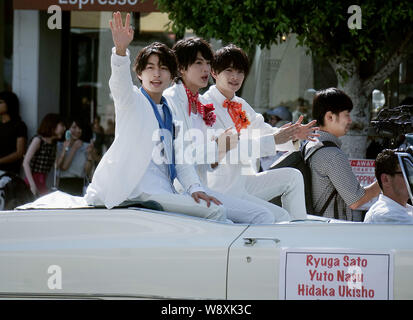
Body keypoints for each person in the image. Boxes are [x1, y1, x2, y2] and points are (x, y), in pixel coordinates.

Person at [84, 12, 225, 222]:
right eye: (149, 68)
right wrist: (121, 51)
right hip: (135, 191)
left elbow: (182, 159)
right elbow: (120, 83)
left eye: (163, 68)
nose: (156, 74)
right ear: (139, 74)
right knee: (216, 212)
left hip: (160, 190)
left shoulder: (170, 112)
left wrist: (195, 188)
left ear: (172, 75)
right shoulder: (132, 101)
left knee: (211, 209)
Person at [164, 38, 279, 223]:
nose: (206, 69)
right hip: (184, 187)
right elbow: (181, 155)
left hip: (205, 185)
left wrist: (218, 152)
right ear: (181, 68)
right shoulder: (171, 99)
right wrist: (219, 146)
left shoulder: (201, 103)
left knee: (272, 213)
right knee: (262, 216)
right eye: (199, 63)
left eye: (208, 63)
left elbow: (210, 157)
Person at [200, 44, 319, 221]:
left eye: (240, 72)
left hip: (242, 183)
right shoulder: (205, 106)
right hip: (220, 189)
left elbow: (264, 132)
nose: (235, 77)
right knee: (280, 216)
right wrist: (275, 139)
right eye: (229, 70)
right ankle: (295, 237)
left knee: (293, 176)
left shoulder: (240, 105)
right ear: (214, 73)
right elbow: (230, 149)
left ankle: (299, 233)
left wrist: (292, 134)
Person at [305, 88, 381, 220]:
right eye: (346, 115)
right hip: (331, 233)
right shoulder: (332, 154)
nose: (350, 120)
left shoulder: (310, 145)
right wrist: (384, 182)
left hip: (316, 226)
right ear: (330, 117)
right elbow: (356, 200)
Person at [364, 149, 413, 224]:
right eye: (407, 174)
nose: (411, 179)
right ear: (385, 179)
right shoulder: (385, 214)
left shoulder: (405, 209)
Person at [22, 113, 66, 197]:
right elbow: (26, 162)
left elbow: (57, 165)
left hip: (43, 181)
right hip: (32, 180)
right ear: (52, 125)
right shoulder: (38, 140)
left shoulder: (53, 144)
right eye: (61, 125)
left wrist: (64, 150)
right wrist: (32, 185)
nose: (64, 129)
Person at [56, 118, 96, 196]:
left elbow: (87, 171)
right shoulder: (61, 146)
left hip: (79, 183)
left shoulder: (85, 146)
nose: (77, 131)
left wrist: (89, 156)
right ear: (67, 129)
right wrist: (73, 148)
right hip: (64, 182)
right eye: (74, 127)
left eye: (79, 128)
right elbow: (63, 167)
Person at [0, 91, 28, 175]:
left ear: (9, 104)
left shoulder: (19, 125)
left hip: (9, 174)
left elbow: (20, 152)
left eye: (0, 102)